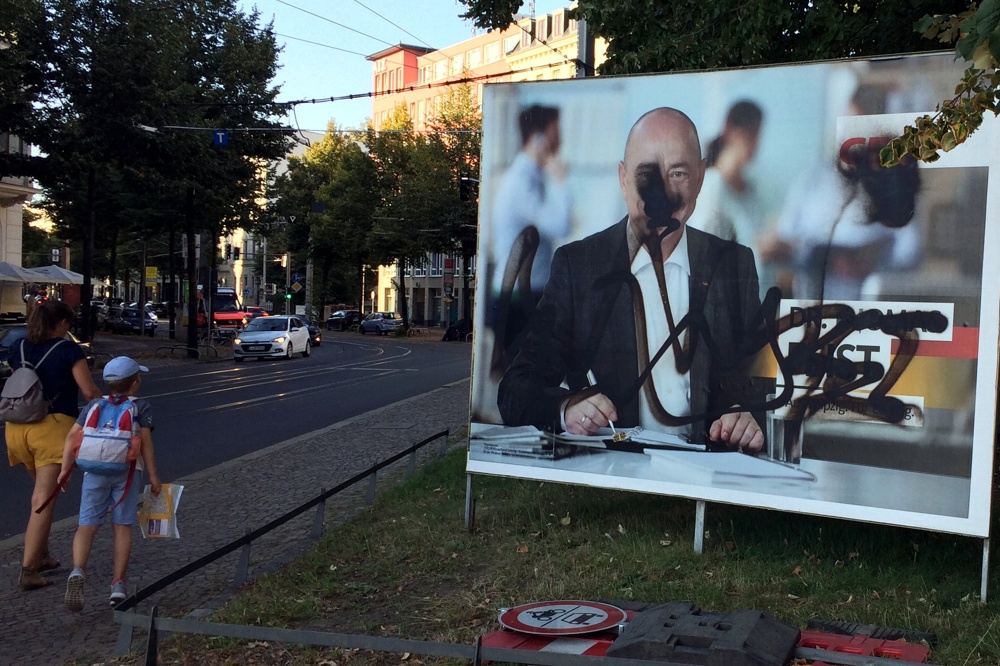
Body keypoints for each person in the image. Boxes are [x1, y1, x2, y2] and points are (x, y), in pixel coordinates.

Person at [498, 107, 764, 450]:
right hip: (615, 483)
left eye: (679, 173)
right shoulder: (579, 267)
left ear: (700, 176)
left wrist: (746, 412)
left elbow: (760, 380)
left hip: (707, 482)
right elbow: (515, 388)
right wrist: (566, 408)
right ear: (623, 178)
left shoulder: (735, 265)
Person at [6, 300, 102, 591]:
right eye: (68, 324)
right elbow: (88, 391)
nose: (69, 329)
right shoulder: (69, 350)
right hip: (52, 430)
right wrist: (109, 407)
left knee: (42, 497)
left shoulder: (18, 347)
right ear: (61, 324)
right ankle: (27, 570)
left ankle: (43, 554)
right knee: (43, 501)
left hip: (16, 429)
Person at [59, 356, 161, 610]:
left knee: (86, 525)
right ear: (135, 383)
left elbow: (72, 436)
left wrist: (64, 470)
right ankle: (117, 584)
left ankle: (78, 571)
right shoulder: (141, 406)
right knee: (122, 526)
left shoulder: (94, 404)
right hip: (125, 473)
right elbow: (146, 443)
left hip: (92, 471)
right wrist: (153, 476)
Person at [488, 105, 573, 375]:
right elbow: (561, 224)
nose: (560, 139)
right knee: (525, 377)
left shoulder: (531, 178)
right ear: (538, 137)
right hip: (518, 297)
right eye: (556, 132)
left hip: (525, 292)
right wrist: (561, 181)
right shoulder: (522, 181)